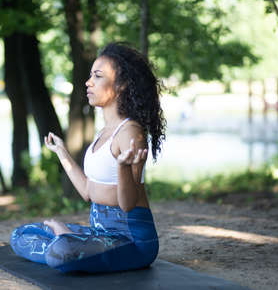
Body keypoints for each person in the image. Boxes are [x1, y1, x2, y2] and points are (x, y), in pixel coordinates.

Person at [10, 42, 166, 273]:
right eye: (90, 75)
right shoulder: (103, 133)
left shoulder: (130, 133)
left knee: (62, 252)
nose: (88, 82)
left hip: (132, 242)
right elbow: (87, 192)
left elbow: (128, 203)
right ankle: (70, 241)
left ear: (121, 85)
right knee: (20, 235)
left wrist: (123, 167)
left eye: (98, 76)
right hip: (100, 235)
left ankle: (66, 239)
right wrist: (62, 153)